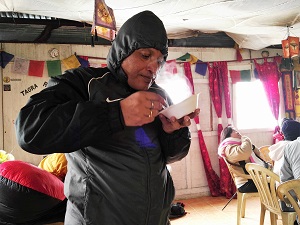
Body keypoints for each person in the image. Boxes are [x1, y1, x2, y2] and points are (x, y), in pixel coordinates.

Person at [15, 10, 200, 225]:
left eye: (159, 61)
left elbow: (168, 157)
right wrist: (117, 113)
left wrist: (174, 133)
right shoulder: (84, 83)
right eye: (145, 55)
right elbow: (30, 131)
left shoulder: (159, 95)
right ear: (123, 51)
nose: (154, 68)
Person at [218, 125, 263, 193]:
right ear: (228, 135)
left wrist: (250, 146)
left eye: (237, 130)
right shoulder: (228, 148)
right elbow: (245, 153)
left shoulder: (238, 144)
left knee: (279, 182)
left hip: (254, 179)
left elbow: (258, 153)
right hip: (246, 183)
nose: (237, 132)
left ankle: (273, 203)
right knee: (278, 184)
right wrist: (246, 139)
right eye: (234, 131)